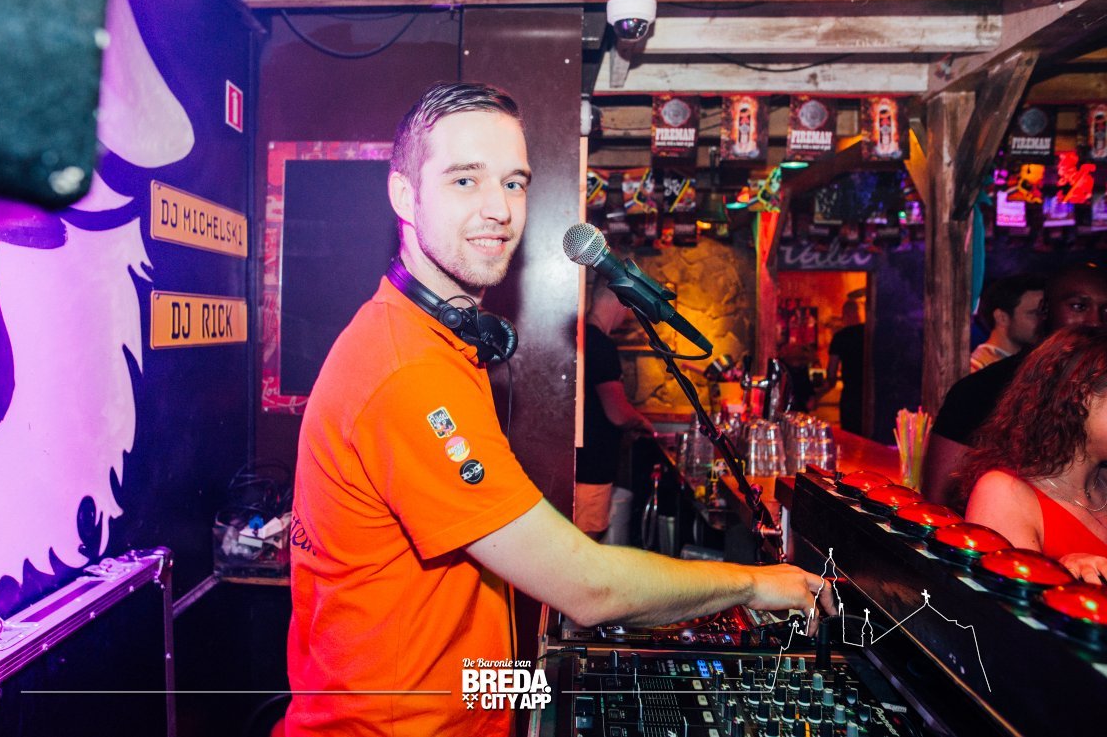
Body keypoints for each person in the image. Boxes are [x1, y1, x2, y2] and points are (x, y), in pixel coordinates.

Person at [285, 82, 834, 736]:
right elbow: (585, 585)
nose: (499, 208)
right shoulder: (408, 372)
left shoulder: (427, 341)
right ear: (405, 195)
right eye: (465, 180)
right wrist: (752, 584)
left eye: (513, 183)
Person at [923, 263, 1107, 510]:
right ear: (1045, 310)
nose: (1095, 321)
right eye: (1079, 306)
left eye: (1106, 310)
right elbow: (937, 500)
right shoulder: (983, 389)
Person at [962, 326, 1107, 583]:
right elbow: (1004, 603)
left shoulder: (1102, 486)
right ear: (1080, 397)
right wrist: (1065, 578)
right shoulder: (1004, 493)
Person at [575, 278, 653, 540]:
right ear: (619, 302)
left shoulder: (581, 338)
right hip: (592, 466)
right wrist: (642, 422)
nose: (627, 314)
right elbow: (617, 412)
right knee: (586, 542)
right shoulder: (601, 345)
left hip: (579, 463)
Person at [968, 273, 1045, 372]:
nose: (1043, 320)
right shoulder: (976, 367)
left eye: (1044, 313)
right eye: (1034, 313)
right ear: (1002, 318)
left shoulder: (1030, 362)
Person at [823, 300, 864, 435]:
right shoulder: (870, 334)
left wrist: (818, 394)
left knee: (851, 437)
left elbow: (831, 373)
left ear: (845, 315)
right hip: (872, 397)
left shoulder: (840, 337)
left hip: (850, 396)